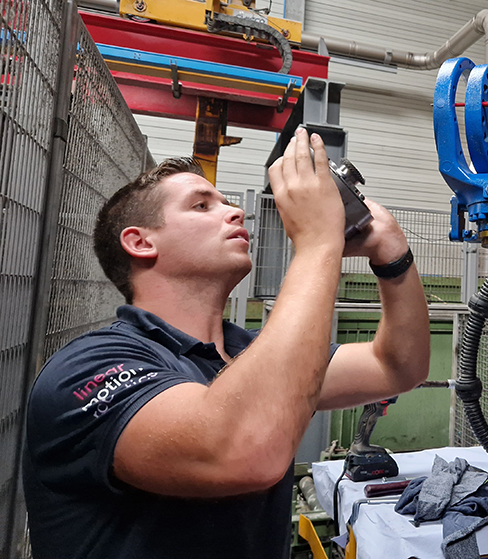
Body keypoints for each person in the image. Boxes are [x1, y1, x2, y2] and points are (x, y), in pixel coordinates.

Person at [22, 128, 431, 559]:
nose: (234, 211)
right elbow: (241, 451)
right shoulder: (85, 369)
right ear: (140, 242)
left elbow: (397, 367)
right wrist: (316, 243)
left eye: (226, 201)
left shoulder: (246, 354)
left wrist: (393, 256)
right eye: (202, 205)